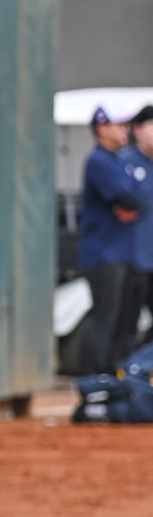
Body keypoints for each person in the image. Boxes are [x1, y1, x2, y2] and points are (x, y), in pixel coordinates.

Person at [77, 105, 145, 375]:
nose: (125, 130)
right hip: (103, 255)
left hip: (123, 253)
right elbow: (128, 198)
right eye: (119, 125)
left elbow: (139, 199)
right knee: (103, 321)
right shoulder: (99, 160)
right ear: (102, 128)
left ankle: (117, 381)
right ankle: (94, 381)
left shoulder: (120, 160)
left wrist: (133, 202)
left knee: (122, 324)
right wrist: (130, 201)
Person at [118, 104, 153, 348]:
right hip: (133, 260)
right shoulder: (124, 162)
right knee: (125, 325)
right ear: (138, 130)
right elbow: (121, 207)